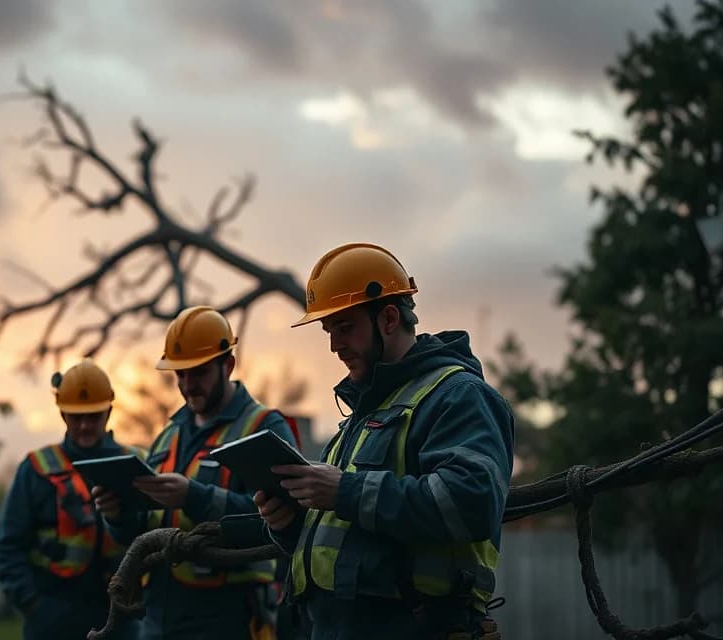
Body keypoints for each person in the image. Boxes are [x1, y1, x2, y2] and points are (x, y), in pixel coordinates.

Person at [255, 243, 514, 640]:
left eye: (345, 327)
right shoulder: (361, 416)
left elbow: (472, 502)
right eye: (329, 331)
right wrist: (291, 524)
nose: (333, 345)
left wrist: (343, 489)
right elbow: (344, 540)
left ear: (389, 318)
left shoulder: (458, 395)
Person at [93, 305, 301, 640]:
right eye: (180, 374)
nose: (188, 385)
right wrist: (117, 515)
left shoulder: (264, 428)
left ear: (228, 365)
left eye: (198, 372)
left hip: (229, 616)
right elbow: (142, 533)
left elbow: (283, 524)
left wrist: (194, 496)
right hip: (157, 616)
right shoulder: (169, 434)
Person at [0, 358, 144, 640]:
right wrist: (33, 604)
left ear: (108, 412)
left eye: (94, 416)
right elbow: (8, 546)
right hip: (52, 617)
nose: (85, 425)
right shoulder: (35, 469)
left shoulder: (135, 463)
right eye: (76, 416)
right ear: (62, 414)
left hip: (120, 617)